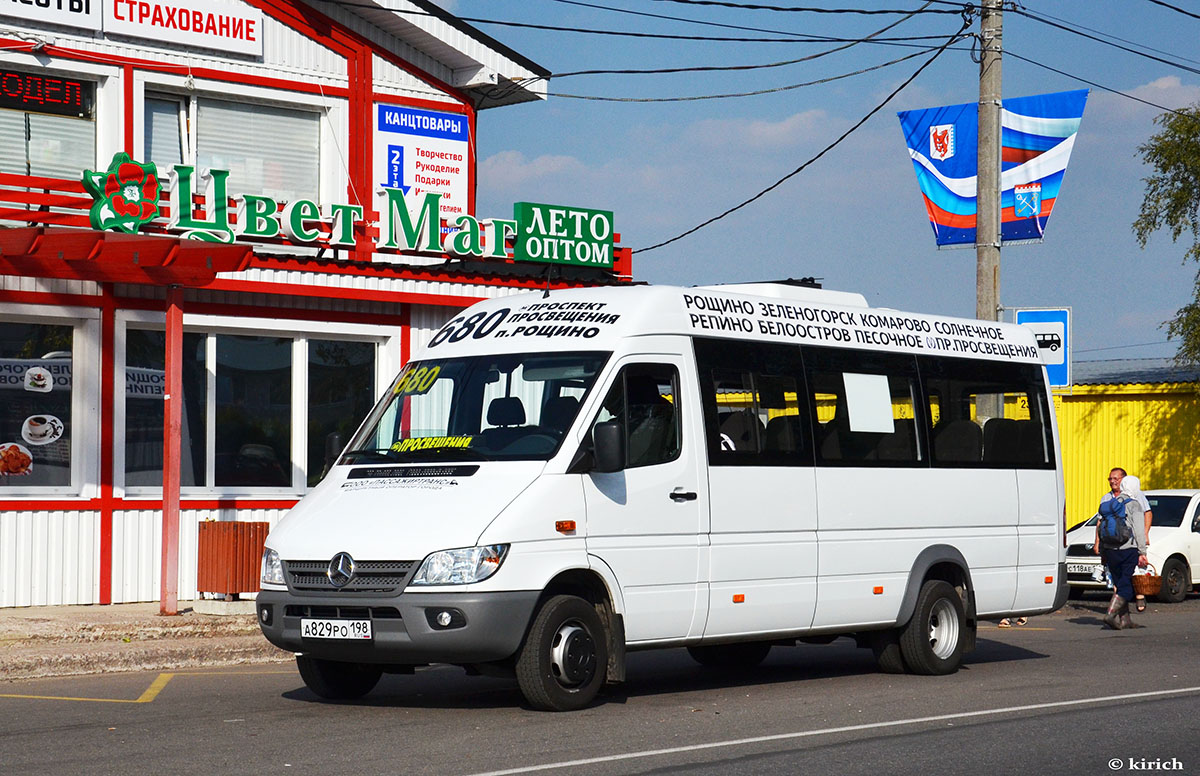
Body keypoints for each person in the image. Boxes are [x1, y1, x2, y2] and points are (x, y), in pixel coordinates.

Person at [1095, 468, 1154, 611]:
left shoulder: (1110, 502)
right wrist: (1142, 550)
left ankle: (1123, 615)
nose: (1112, 481)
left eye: (1115, 478)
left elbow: (1101, 523)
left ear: (1123, 480)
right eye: (1110, 479)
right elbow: (1100, 523)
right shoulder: (1129, 502)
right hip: (1128, 547)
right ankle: (1113, 612)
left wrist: (1102, 548)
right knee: (1126, 580)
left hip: (1110, 548)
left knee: (1118, 579)